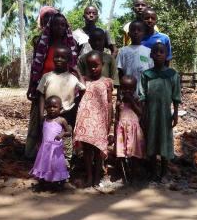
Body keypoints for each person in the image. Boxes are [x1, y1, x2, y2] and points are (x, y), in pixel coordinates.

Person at [25, 11, 78, 159]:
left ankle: (62, 158)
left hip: (64, 93)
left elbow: (74, 69)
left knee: (62, 125)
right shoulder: (43, 43)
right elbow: (35, 66)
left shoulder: (71, 44)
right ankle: (33, 156)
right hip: (43, 89)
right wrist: (31, 86)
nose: (59, 27)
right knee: (38, 123)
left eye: (62, 25)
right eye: (56, 24)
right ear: (51, 26)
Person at [37, 44, 86, 166]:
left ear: (69, 60)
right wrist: (41, 114)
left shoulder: (72, 78)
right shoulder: (47, 76)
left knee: (65, 143)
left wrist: (78, 72)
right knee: (49, 141)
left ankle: (65, 168)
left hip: (67, 115)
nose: (59, 59)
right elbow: (41, 95)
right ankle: (49, 168)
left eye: (63, 57)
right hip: (49, 116)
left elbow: (83, 88)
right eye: (56, 57)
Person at [139, 43, 181, 182]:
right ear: (151, 55)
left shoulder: (172, 74)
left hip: (165, 114)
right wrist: (143, 114)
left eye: (161, 52)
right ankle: (152, 172)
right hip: (150, 113)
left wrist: (175, 114)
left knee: (165, 141)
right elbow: (142, 96)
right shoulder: (147, 74)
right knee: (151, 140)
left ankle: (164, 172)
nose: (158, 54)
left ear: (166, 55)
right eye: (155, 52)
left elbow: (176, 96)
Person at [74, 50, 113, 187]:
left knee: (98, 151)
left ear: (102, 65)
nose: (93, 69)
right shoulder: (83, 81)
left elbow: (109, 103)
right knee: (87, 150)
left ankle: (97, 176)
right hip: (86, 121)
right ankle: (89, 176)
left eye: (96, 65)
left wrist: (109, 121)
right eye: (90, 66)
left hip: (100, 122)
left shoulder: (107, 82)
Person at [29, 95, 71, 189]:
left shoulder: (61, 120)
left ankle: (57, 182)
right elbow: (41, 132)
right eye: (49, 107)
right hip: (45, 148)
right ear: (45, 108)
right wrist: (39, 142)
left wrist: (62, 134)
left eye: (55, 107)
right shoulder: (44, 119)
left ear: (60, 108)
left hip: (56, 149)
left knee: (56, 165)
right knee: (44, 164)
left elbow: (69, 132)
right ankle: (43, 182)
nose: (52, 109)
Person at [114, 75, 145, 183]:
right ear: (121, 88)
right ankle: (124, 174)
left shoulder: (136, 100)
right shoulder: (120, 102)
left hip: (134, 131)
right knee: (122, 153)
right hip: (122, 131)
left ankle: (134, 173)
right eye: (124, 88)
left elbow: (140, 113)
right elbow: (117, 117)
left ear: (135, 88)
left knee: (134, 153)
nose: (127, 91)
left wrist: (131, 102)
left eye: (130, 89)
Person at [117, 20, 153, 94]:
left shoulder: (149, 52)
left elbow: (151, 73)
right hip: (127, 93)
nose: (136, 32)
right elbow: (120, 74)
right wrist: (119, 96)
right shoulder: (122, 51)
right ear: (129, 33)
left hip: (144, 93)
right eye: (133, 30)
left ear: (144, 34)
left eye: (139, 30)